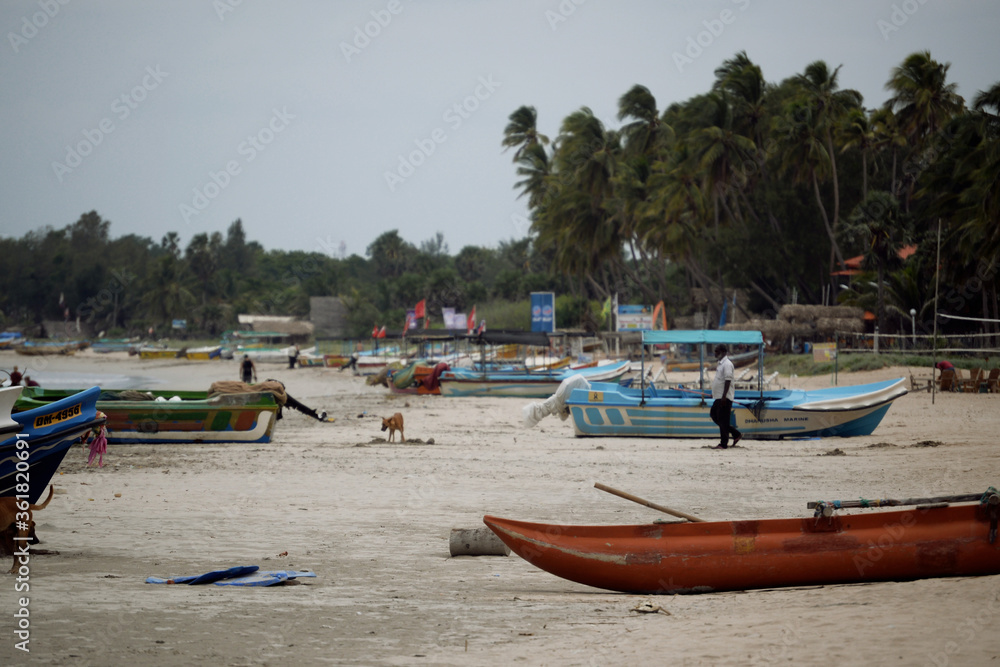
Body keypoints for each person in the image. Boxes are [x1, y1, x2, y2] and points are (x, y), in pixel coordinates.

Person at [710, 344, 742, 450]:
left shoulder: (727, 364)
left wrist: (724, 396)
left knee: (723, 420)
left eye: (717, 351)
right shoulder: (720, 364)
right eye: (715, 351)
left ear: (723, 352)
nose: (715, 353)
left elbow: (728, 380)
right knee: (714, 415)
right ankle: (735, 433)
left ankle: (723, 444)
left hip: (725, 397)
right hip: (718, 396)